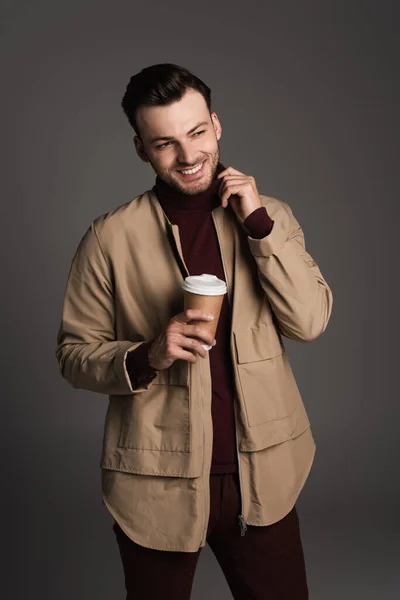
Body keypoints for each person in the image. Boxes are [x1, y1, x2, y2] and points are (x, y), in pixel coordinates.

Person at [55, 63, 333, 599]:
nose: (188, 155)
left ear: (217, 125)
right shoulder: (110, 238)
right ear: (141, 150)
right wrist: (147, 354)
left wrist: (260, 229)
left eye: (197, 133)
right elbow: (73, 354)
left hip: (263, 474)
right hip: (155, 479)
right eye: (165, 143)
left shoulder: (269, 217)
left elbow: (310, 321)